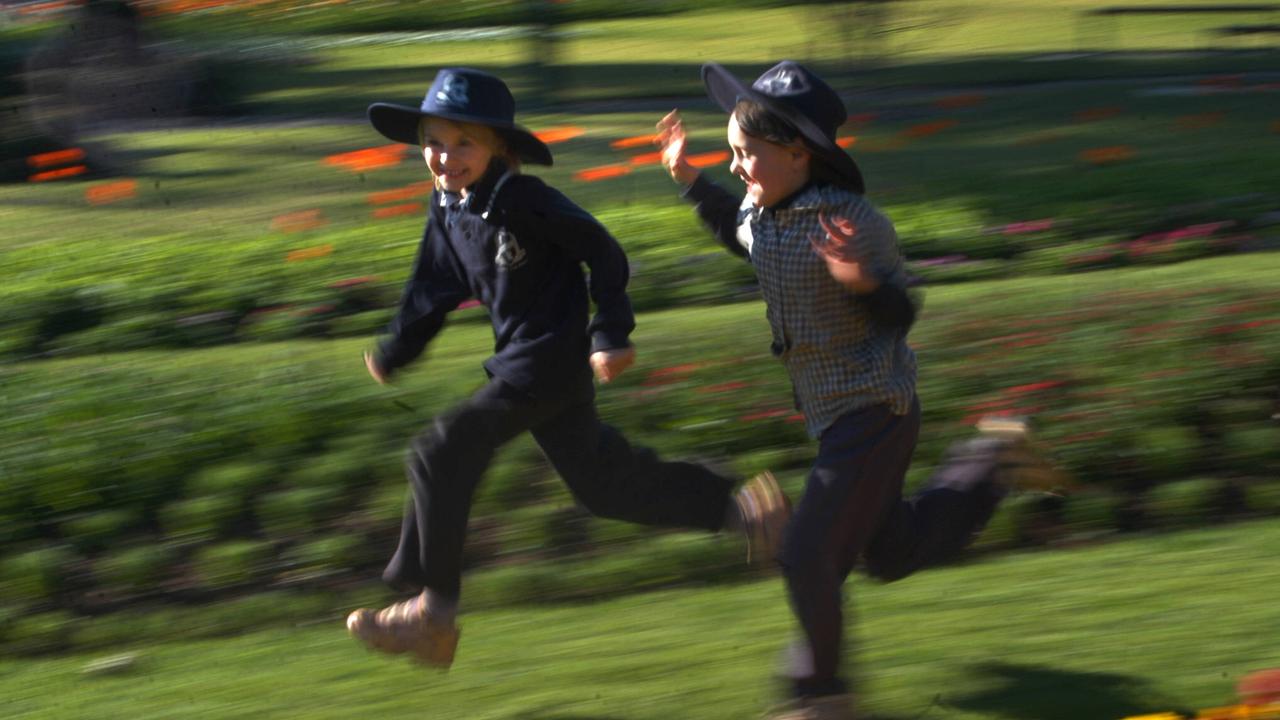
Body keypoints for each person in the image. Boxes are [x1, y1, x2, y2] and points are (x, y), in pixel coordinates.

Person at [656, 61, 1068, 720]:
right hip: (835, 416)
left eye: (744, 153)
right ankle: (992, 462)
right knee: (892, 551)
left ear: (798, 153)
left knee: (806, 555)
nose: (735, 166)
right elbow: (736, 236)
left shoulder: (852, 220)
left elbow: (903, 314)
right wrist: (689, 181)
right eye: (730, 153)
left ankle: (821, 697)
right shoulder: (763, 215)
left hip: (875, 409)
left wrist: (863, 286)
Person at [344, 67, 791, 670]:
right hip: (527, 363)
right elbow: (431, 286)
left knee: (439, 451)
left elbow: (601, 249)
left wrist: (610, 332)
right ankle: (742, 508)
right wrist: (397, 349)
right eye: (433, 142)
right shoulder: (447, 207)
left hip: (547, 358)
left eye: (463, 143)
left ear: (499, 147)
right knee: (602, 485)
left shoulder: (522, 199)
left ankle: (434, 612)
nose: (445, 157)